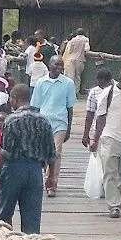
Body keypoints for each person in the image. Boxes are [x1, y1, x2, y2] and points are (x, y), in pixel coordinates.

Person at [0, 84, 57, 233]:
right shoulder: (44, 120)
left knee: (4, 215)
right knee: (32, 220)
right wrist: (51, 176)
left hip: (14, 170)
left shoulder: (11, 120)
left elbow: (4, 153)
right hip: (36, 171)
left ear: (15, 99)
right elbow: (51, 153)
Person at [90, 67, 121, 218]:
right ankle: (114, 205)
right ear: (118, 79)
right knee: (110, 173)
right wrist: (95, 139)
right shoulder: (108, 93)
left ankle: (117, 196)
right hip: (109, 137)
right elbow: (100, 117)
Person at [30, 56, 75, 197]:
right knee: (43, 153)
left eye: (62, 65)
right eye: (56, 65)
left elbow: (70, 108)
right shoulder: (41, 83)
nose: (60, 68)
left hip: (60, 122)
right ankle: (46, 177)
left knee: (56, 152)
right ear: (49, 65)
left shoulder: (68, 83)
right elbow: (35, 107)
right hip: (43, 122)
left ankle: (52, 183)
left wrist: (69, 128)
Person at [82, 69, 113, 149]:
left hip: (112, 129)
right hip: (97, 129)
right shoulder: (94, 92)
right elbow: (90, 114)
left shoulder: (114, 91)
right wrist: (86, 134)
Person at [63, 28, 90, 94]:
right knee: (78, 76)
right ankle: (76, 91)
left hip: (72, 59)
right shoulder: (85, 39)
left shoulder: (73, 40)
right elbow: (87, 49)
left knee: (71, 75)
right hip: (80, 59)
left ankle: (70, 91)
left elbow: (70, 51)